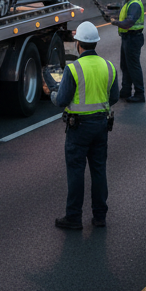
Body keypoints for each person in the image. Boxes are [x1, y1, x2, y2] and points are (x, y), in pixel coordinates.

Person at [42, 21, 118, 231]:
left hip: (79, 129)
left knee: (76, 172)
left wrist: (51, 93)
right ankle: (100, 216)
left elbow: (62, 100)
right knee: (99, 170)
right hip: (101, 125)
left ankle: (74, 217)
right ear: (95, 43)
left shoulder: (73, 68)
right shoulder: (109, 66)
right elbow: (113, 97)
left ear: (78, 44)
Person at [111, 0, 145, 103]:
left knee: (133, 67)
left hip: (133, 39)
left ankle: (139, 94)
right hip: (127, 38)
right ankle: (126, 90)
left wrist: (115, 22)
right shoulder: (128, 3)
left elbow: (128, 23)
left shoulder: (135, 4)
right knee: (125, 66)